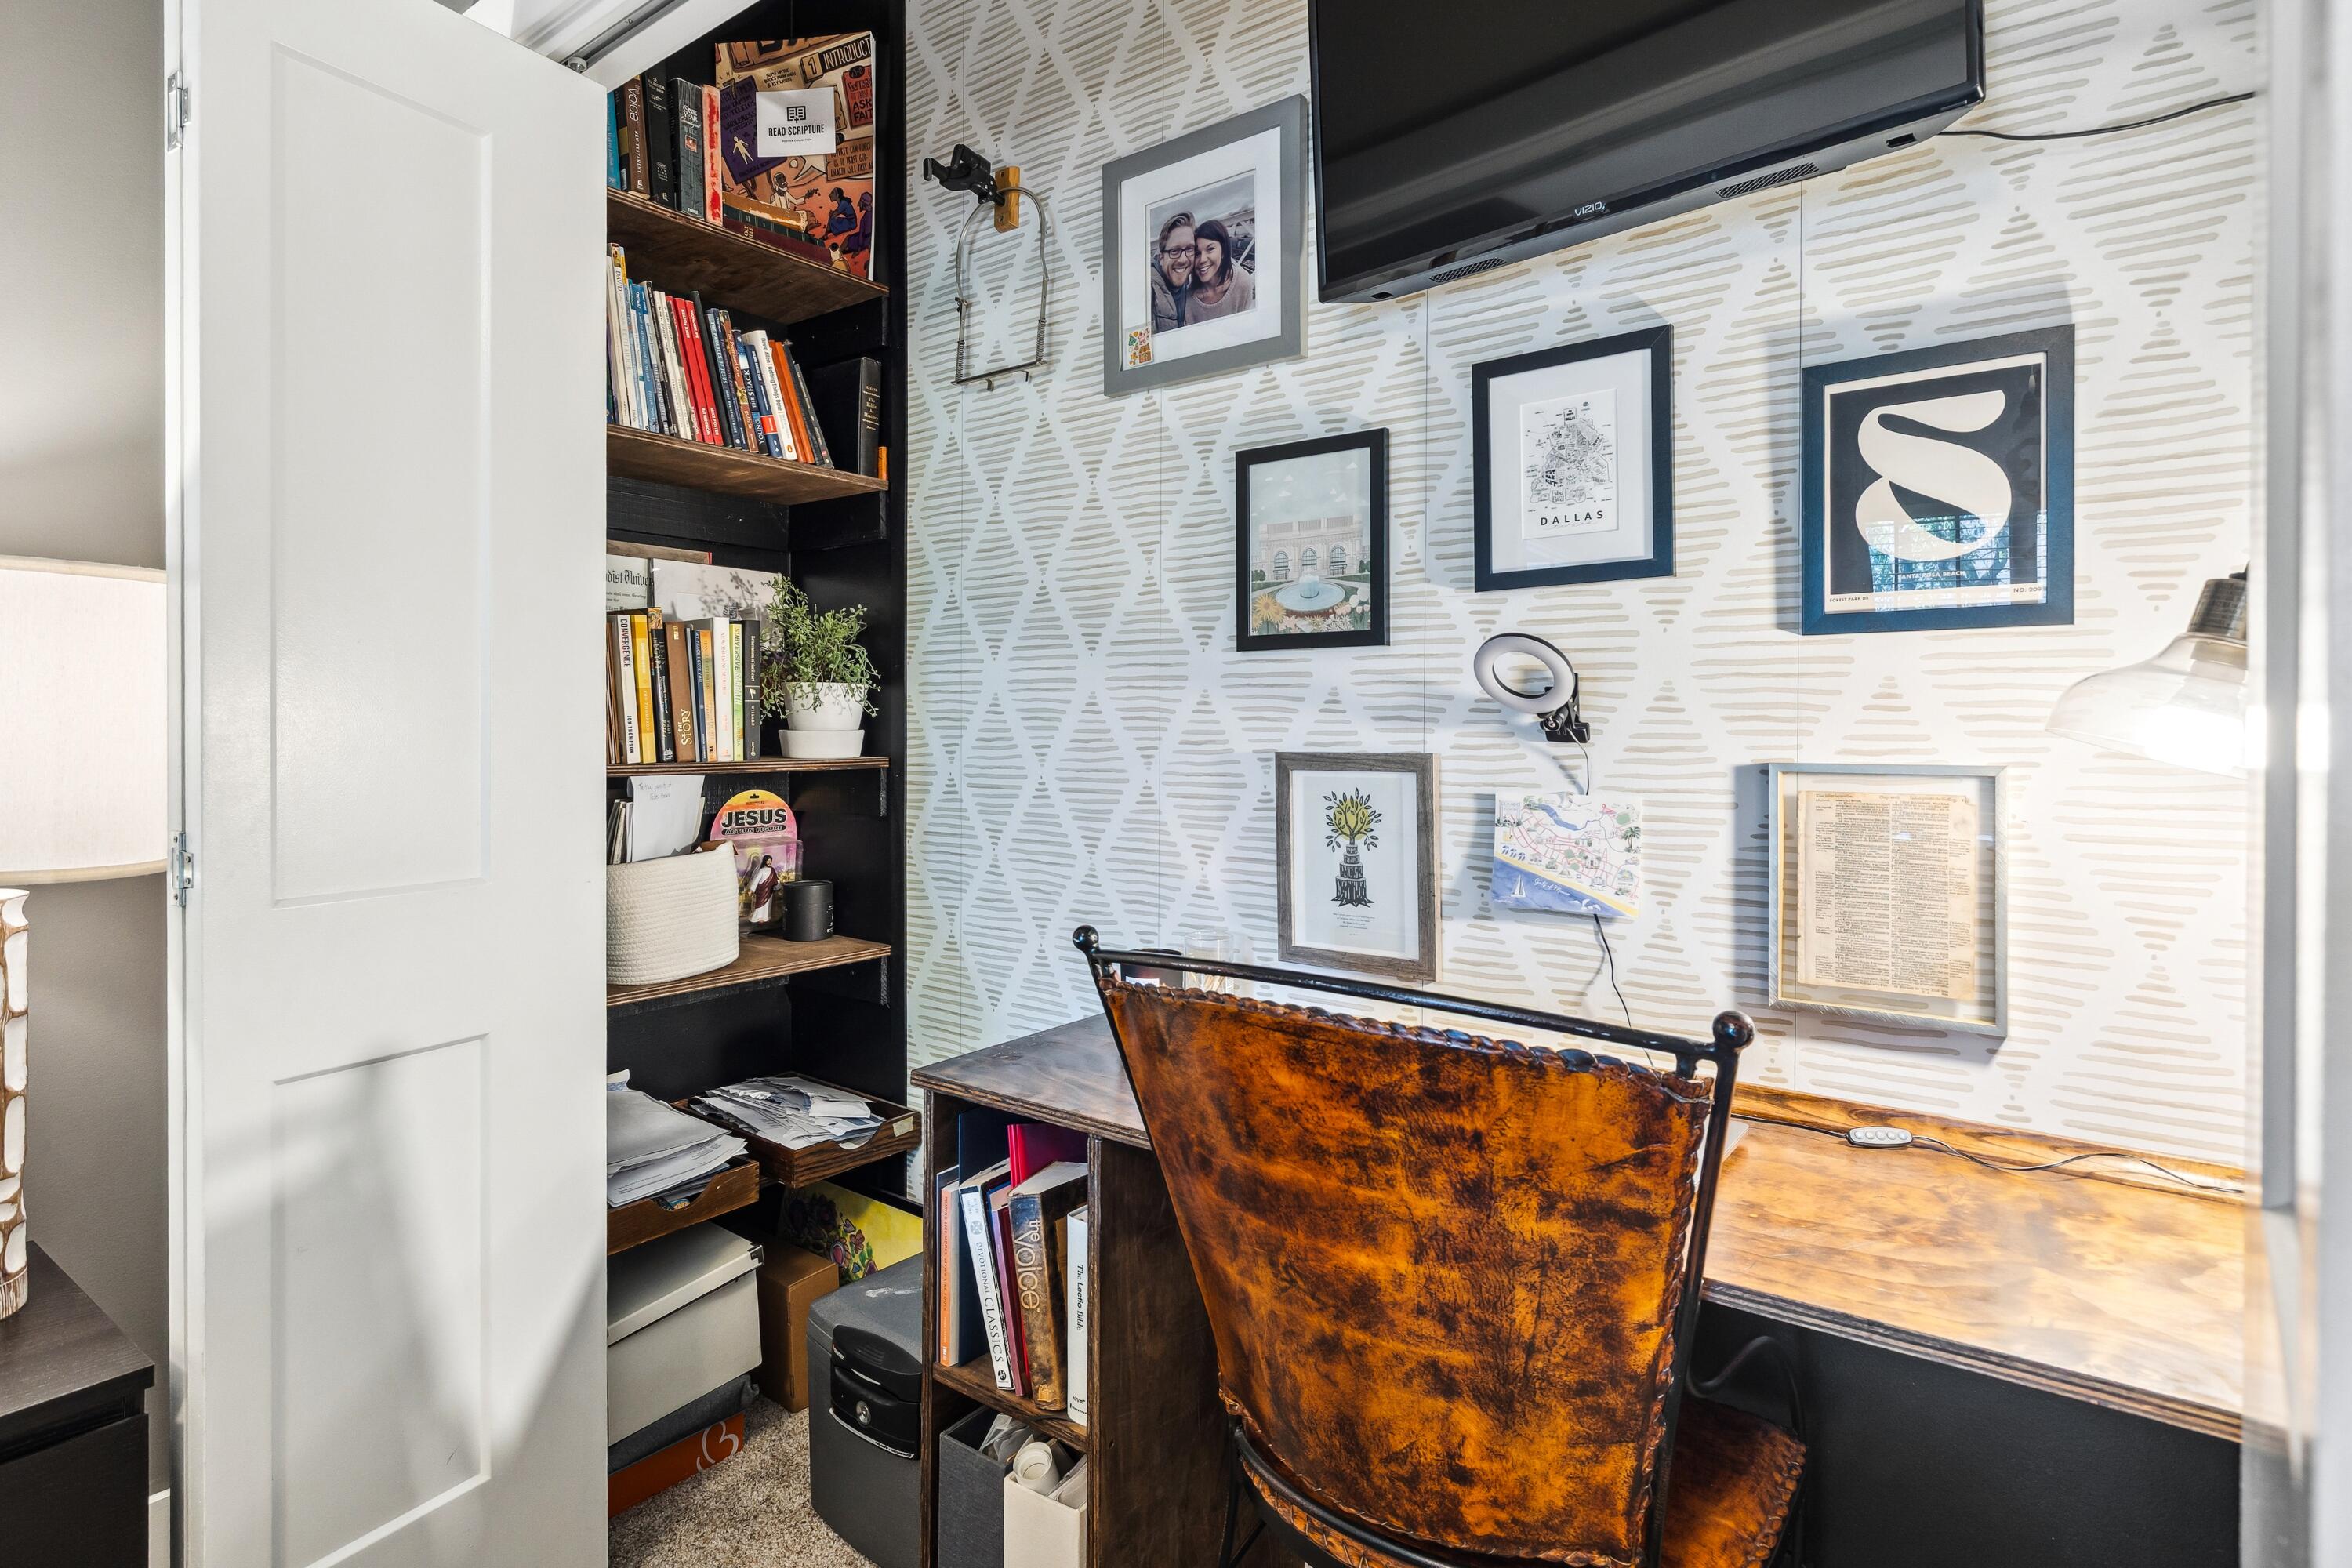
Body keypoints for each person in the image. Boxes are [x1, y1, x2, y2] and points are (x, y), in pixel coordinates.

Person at [1183, 219, 1255, 324]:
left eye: (1210, 249)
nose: (1202, 259)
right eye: (1197, 253)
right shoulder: (1188, 301)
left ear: (1223, 252)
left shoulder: (1242, 282)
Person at [1150, 211, 1195, 336]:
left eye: (1190, 249)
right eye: (1175, 251)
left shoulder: (1194, 280)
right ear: (1161, 258)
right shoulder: (1147, 290)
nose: (1183, 259)